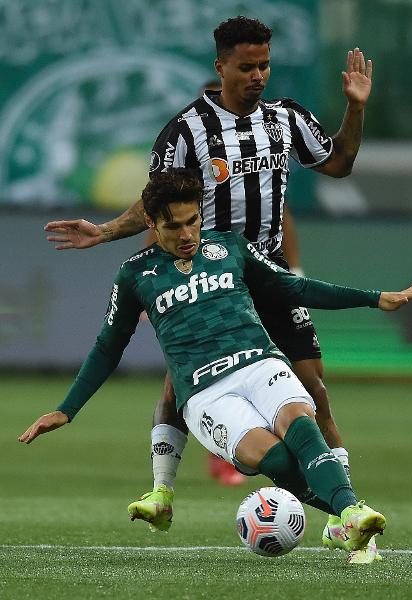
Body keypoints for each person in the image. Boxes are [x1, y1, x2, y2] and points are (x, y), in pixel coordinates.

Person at [43, 16, 375, 559]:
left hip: (267, 279)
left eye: (264, 65)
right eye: (247, 67)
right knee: (184, 382)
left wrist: (355, 107)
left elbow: (338, 162)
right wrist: (105, 232)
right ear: (220, 66)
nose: (258, 76)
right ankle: (162, 491)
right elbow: (155, 203)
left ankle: (349, 515)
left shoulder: (286, 118)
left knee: (315, 393)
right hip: (210, 277)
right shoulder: (187, 131)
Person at [20, 169, 412, 561]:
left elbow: (294, 287)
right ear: (150, 222)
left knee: (302, 424)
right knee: (277, 461)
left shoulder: (229, 246)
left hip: (259, 362)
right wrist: (66, 409)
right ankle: (341, 517)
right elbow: (108, 346)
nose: (186, 234)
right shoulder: (135, 275)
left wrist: (375, 297)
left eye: (193, 221)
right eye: (173, 226)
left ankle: (352, 513)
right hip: (204, 392)